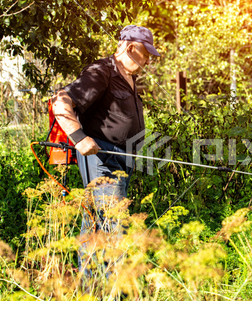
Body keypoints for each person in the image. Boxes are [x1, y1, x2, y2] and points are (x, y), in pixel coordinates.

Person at [52, 25, 160, 278]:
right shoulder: (101, 72)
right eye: (145, 54)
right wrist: (79, 138)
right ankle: (114, 291)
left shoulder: (129, 77)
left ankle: (91, 288)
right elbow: (61, 101)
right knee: (114, 225)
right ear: (130, 47)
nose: (147, 61)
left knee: (95, 222)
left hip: (122, 159)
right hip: (102, 159)